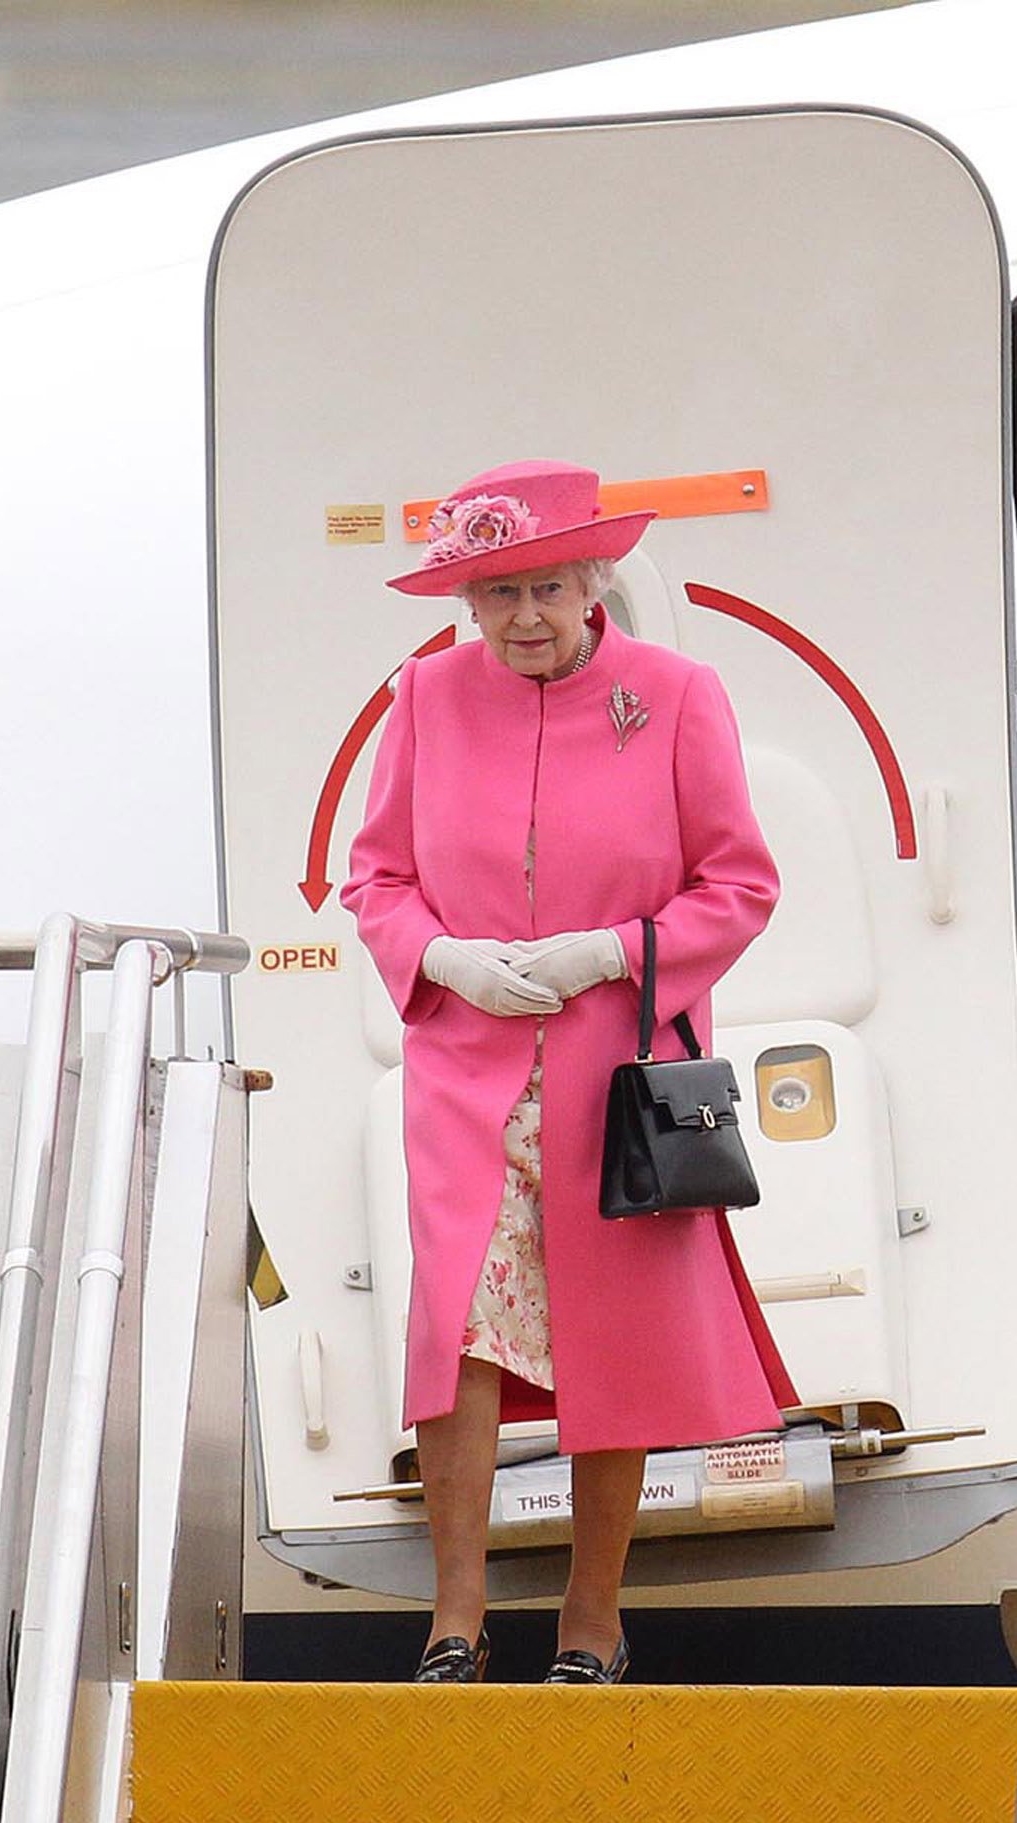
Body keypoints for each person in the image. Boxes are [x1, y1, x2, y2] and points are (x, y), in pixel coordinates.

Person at [344, 458, 794, 1684]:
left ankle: (593, 1616)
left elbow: (740, 886)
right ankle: (454, 1616)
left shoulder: (679, 693)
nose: (525, 617)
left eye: (546, 586)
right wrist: (445, 956)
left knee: (616, 1335)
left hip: (618, 1070)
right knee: (463, 1330)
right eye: (497, 595)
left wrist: (616, 948)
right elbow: (374, 878)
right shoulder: (426, 698)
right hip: (468, 1065)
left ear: (597, 579)